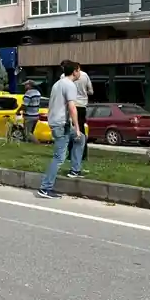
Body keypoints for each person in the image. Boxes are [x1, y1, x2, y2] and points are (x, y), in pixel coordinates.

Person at [37, 61, 86, 199]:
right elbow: (72, 107)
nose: (80, 73)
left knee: (81, 138)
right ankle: (45, 188)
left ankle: (75, 170)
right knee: (59, 157)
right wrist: (76, 127)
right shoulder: (69, 85)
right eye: (79, 70)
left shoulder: (58, 84)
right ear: (75, 71)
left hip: (57, 122)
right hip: (60, 124)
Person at [72, 62, 93, 161]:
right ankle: (83, 154)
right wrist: (84, 92)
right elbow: (91, 91)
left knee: (71, 130)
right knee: (81, 130)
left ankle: (71, 154)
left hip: (71, 104)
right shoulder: (85, 75)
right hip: (82, 105)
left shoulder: (64, 76)